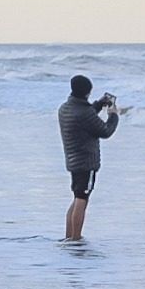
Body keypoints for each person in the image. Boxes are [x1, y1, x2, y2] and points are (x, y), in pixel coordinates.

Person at [58, 75, 119, 241]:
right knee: (82, 199)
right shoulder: (83, 113)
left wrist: (99, 104)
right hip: (86, 161)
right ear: (87, 92)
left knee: (78, 197)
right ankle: (76, 239)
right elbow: (105, 131)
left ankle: (69, 237)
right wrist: (113, 115)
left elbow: (86, 115)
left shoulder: (65, 108)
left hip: (73, 160)